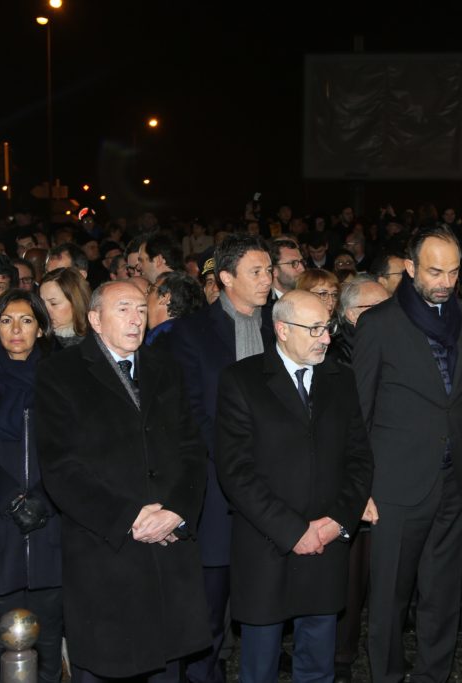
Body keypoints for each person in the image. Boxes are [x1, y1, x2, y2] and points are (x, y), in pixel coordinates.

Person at [36, 281, 209, 681]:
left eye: (141, 310)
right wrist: (130, 516)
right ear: (95, 319)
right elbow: (61, 468)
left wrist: (176, 511)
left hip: (168, 547)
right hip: (107, 551)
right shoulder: (61, 373)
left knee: (168, 666)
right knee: (110, 666)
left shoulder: (164, 366)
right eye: (124, 309)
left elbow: (191, 447)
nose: (136, 319)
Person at [214, 290, 374, 683]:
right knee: (259, 665)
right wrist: (293, 530)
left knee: (318, 664)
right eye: (315, 329)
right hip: (266, 547)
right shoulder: (242, 380)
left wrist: (336, 521)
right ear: (282, 330)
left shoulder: (341, 378)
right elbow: (236, 472)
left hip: (327, 541)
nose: (326, 338)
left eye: (328, 327)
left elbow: (359, 459)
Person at [353, 225, 462, 682]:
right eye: (434, 271)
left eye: (453, 271)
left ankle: (434, 676)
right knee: (389, 599)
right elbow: (360, 412)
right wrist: (361, 486)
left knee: (444, 593)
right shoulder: (378, 323)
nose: (445, 281)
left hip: (454, 481)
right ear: (410, 268)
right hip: (394, 486)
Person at [170, 234, 274, 683]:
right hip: (216, 489)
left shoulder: (282, 325)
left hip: (275, 491)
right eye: (257, 271)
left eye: (270, 270)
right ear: (226, 277)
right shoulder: (192, 333)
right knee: (210, 608)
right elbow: (191, 412)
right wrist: (235, 463)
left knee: (266, 606)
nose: (267, 279)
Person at [0, 289, 62, 683]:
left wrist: (45, 493)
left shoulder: (61, 376)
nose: (16, 329)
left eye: (26, 320)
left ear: (41, 327)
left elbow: (75, 445)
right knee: (0, 636)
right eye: (6, 320)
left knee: (49, 636)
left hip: (51, 519)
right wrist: (8, 496)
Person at [39, 268, 91, 349]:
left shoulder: (96, 341)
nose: (45, 310)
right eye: (41, 303)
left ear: (76, 302)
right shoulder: (37, 338)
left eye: (53, 303)